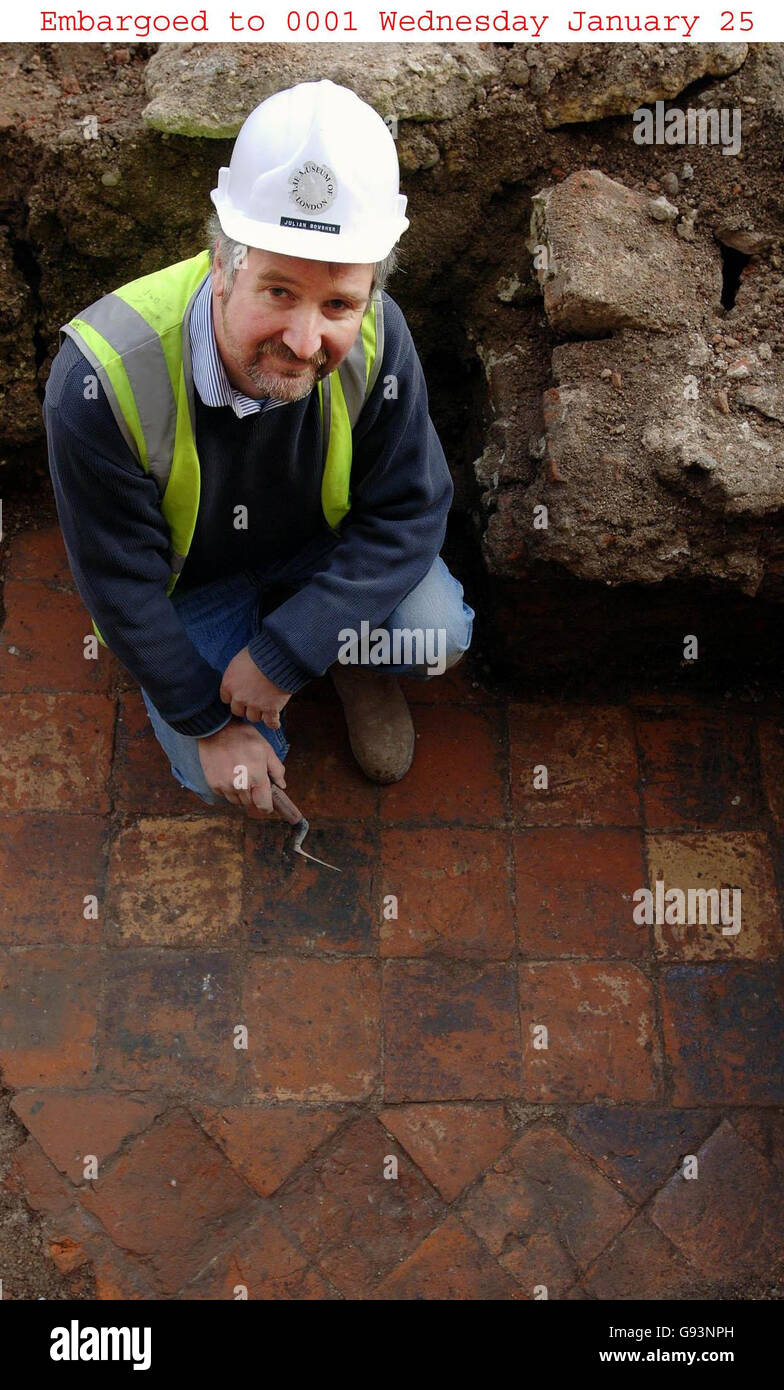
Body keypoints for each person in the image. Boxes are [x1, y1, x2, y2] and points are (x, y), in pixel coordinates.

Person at [43, 78, 474, 818]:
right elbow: (119, 589)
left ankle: (343, 658)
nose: (306, 342)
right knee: (233, 775)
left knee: (437, 633)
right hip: (193, 587)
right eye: (278, 292)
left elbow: (410, 511)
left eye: (338, 302)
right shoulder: (101, 380)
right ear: (221, 264)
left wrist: (291, 649)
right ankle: (254, 673)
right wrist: (206, 719)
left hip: (318, 551)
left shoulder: (379, 337)